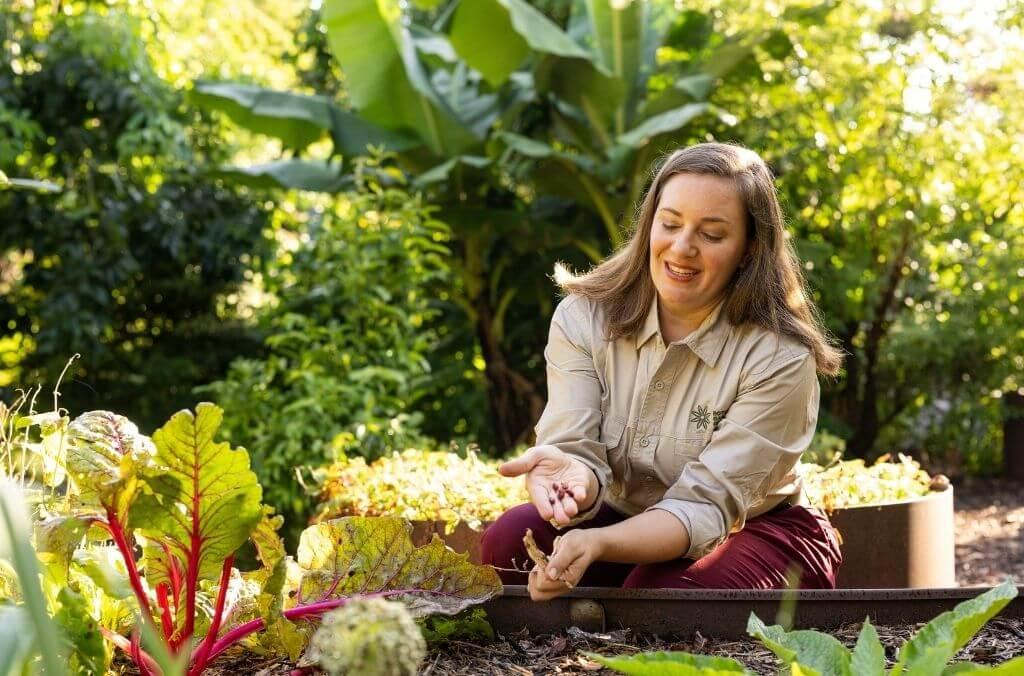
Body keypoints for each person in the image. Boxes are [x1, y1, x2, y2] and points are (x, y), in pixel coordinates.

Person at [480, 142, 844, 601]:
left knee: (665, 595)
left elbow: (705, 507)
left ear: (750, 249)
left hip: (757, 530)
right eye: (669, 224)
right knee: (508, 543)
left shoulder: (780, 358)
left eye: (712, 235)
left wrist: (600, 544)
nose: (682, 247)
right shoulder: (584, 317)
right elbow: (576, 448)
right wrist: (575, 483)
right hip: (620, 519)